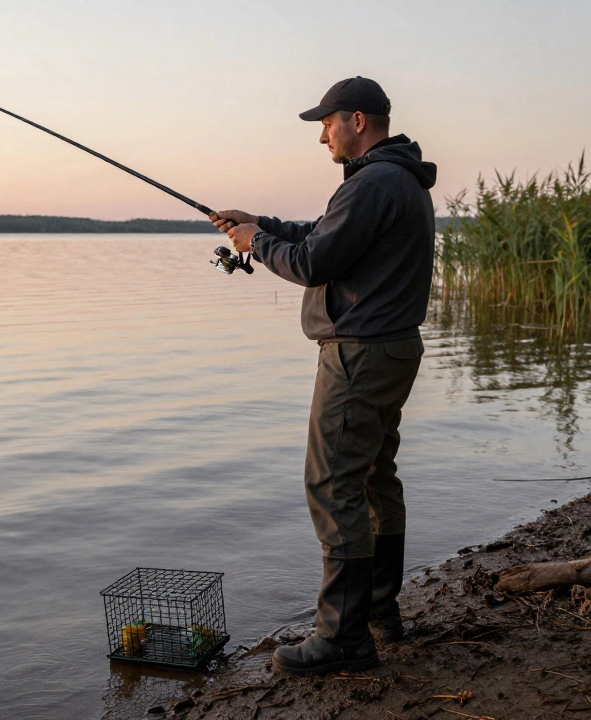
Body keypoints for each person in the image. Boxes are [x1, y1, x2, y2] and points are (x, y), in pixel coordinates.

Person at [212, 76, 436, 675]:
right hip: (391, 350)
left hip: (359, 357)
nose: (322, 136)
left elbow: (312, 262)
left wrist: (255, 242)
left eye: (327, 123)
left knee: (332, 481)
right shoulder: (396, 178)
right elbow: (320, 235)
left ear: (357, 121)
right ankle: (380, 612)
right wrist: (259, 222)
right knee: (373, 478)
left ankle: (343, 638)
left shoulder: (373, 183)